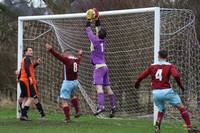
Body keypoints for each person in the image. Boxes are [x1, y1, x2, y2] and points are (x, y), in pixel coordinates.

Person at [134, 50, 197, 133]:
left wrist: (137, 83)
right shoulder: (169, 66)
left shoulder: (152, 66)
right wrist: (180, 86)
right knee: (181, 107)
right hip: (167, 91)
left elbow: (142, 76)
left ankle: (157, 126)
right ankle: (189, 127)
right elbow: (176, 75)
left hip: (156, 93)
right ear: (167, 57)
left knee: (161, 110)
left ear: (158, 56)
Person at [85, 8, 116, 117]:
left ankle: (101, 106)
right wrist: (97, 18)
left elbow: (88, 29)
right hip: (105, 66)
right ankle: (113, 107)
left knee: (99, 87)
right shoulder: (103, 40)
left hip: (98, 68)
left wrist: (89, 19)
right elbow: (99, 29)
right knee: (108, 88)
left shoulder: (95, 40)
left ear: (98, 35)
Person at [45, 43, 82, 124]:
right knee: (72, 96)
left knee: (64, 100)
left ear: (67, 54)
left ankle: (67, 119)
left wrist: (51, 50)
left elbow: (58, 56)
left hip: (68, 83)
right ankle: (77, 111)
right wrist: (80, 54)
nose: (63, 55)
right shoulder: (76, 59)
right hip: (75, 82)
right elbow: (79, 57)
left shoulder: (67, 59)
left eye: (64, 54)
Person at [16, 50, 45, 118]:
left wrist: (36, 63)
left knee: (25, 98)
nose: (31, 51)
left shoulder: (26, 59)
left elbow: (28, 68)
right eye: (29, 50)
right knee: (31, 97)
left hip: (24, 80)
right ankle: (23, 113)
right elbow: (26, 68)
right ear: (25, 52)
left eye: (32, 50)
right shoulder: (27, 58)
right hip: (26, 81)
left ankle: (24, 112)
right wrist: (29, 77)